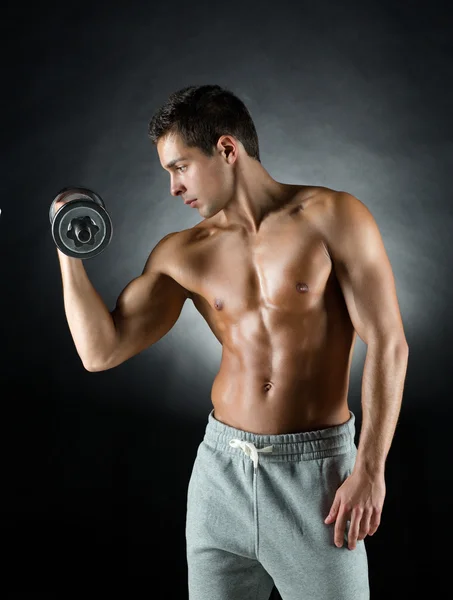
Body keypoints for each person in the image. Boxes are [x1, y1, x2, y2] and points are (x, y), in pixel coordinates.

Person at [55, 84, 409, 600]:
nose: (173, 189)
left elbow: (389, 343)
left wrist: (371, 470)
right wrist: (69, 249)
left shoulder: (334, 216)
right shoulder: (184, 252)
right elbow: (99, 351)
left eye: (179, 168)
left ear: (226, 149)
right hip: (220, 475)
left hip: (317, 481)